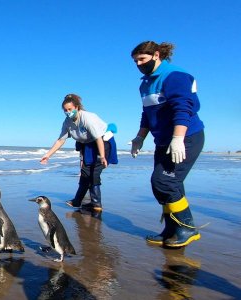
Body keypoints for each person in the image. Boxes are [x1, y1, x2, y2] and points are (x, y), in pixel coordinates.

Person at [130, 41, 204, 248]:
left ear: (156, 55)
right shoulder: (145, 84)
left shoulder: (174, 75)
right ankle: (171, 230)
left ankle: (187, 228)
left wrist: (178, 137)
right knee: (165, 186)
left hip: (186, 138)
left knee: (164, 182)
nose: (138, 64)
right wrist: (140, 138)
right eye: (135, 61)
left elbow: (183, 108)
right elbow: (147, 114)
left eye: (142, 59)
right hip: (163, 141)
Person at [40, 94, 118, 211]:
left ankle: (95, 204)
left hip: (102, 143)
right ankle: (78, 201)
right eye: (65, 110)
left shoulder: (87, 118)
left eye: (70, 109)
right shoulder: (67, 122)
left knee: (94, 173)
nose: (67, 112)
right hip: (88, 145)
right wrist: (48, 155)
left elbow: (98, 138)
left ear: (77, 107)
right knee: (85, 172)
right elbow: (61, 140)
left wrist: (102, 156)